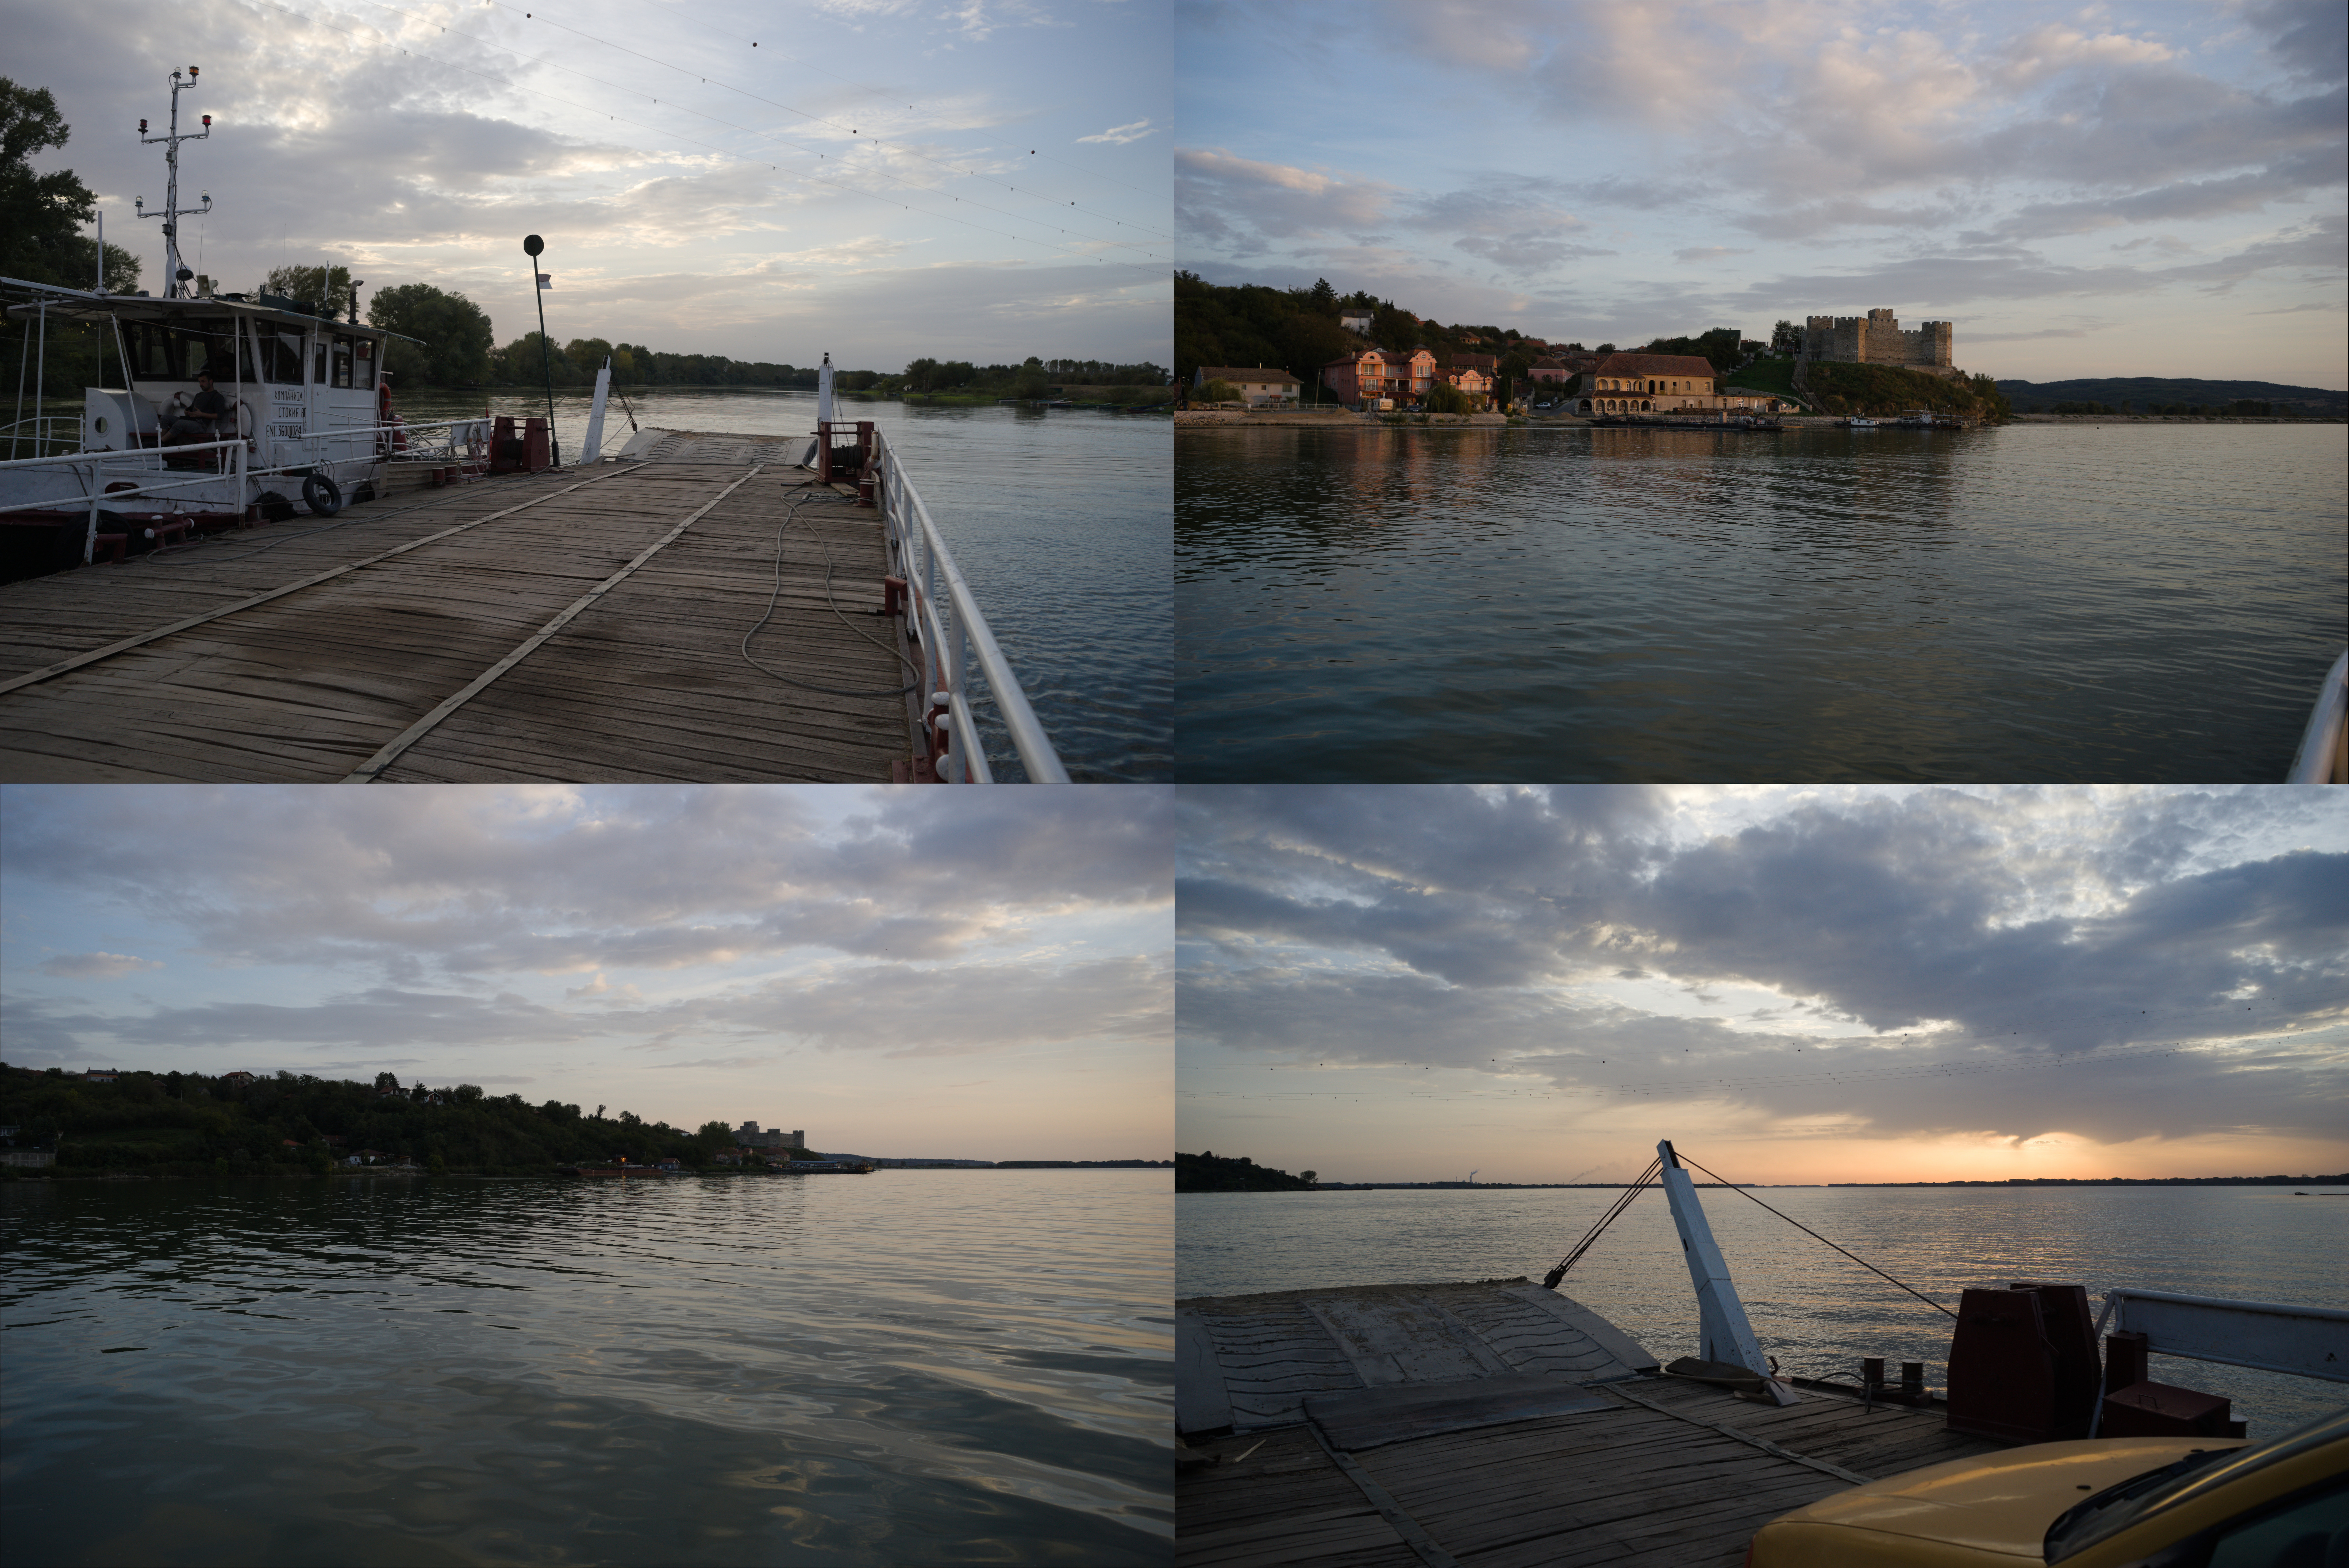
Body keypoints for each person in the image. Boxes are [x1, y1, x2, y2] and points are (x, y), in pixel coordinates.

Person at [163, 371, 231, 444]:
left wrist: (201, 414)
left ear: (211, 382)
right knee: (165, 418)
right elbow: (192, 408)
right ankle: (162, 443)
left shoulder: (217, 397)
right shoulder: (199, 395)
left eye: (203, 382)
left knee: (180, 423)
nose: (201, 384)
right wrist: (187, 411)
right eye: (200, 382)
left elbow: (220, 416)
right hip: (190, 421)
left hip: (201, 425)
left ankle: (160, 443)